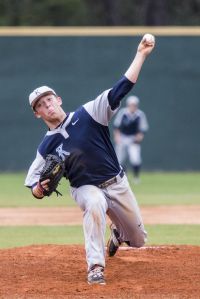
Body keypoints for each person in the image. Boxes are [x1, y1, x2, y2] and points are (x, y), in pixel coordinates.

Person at [25, 34, 155, 285]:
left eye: (49, 99)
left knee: (138, 241)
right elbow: (33, 186)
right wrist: (40, 188)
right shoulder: (46, 146)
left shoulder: (89, 113)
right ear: (37, 114)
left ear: (58, 99)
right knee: (94, 203)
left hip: (116, 182)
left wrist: (141, 54)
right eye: (40, 104)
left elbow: (122, 88)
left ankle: (118, 234)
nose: (47, 105)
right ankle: (95, 266)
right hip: (84, 188)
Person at [113, 95, 149, 183]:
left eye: (134, 105)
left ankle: (136, 178)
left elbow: (143, 128)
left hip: (133, 139)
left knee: (135, 158)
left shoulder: (140, 114)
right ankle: (122, 177)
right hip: (123, 137)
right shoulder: (123, 113)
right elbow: (116, 126)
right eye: (131, 105)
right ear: (128, 105)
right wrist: (117, 137)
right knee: (119, 159)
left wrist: (139, 136)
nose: (133, 107)